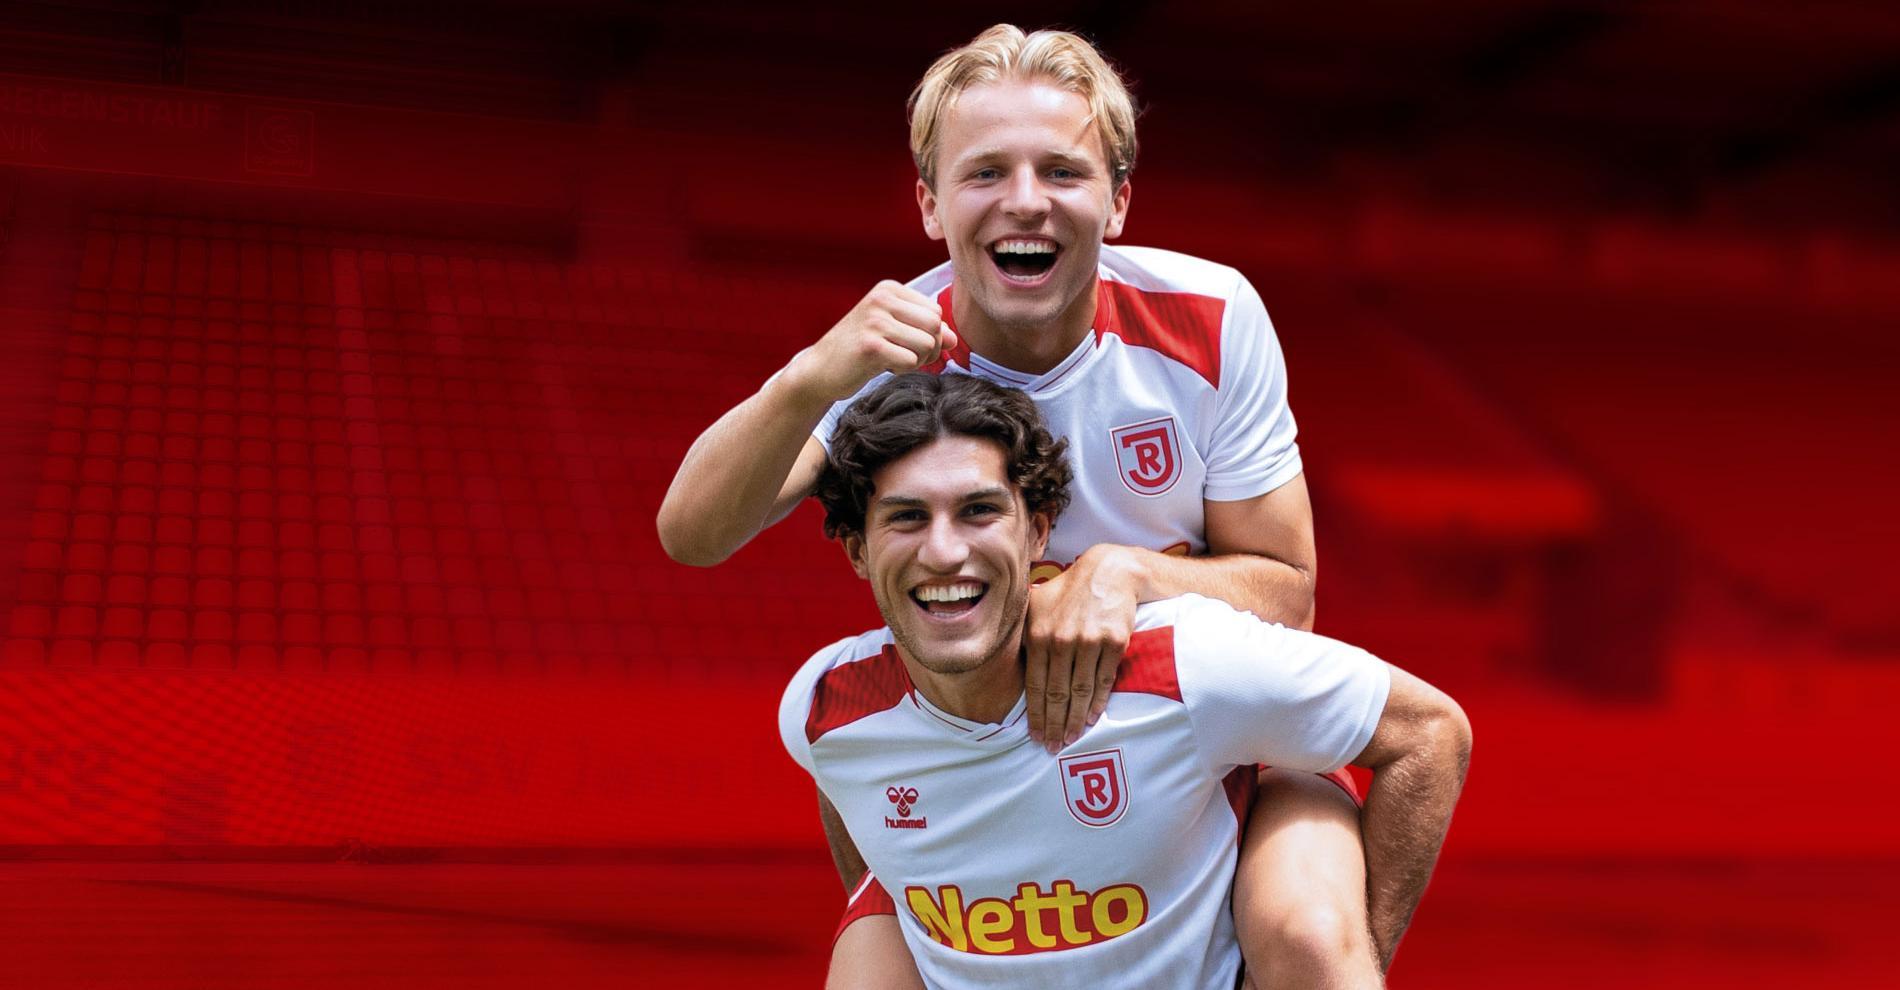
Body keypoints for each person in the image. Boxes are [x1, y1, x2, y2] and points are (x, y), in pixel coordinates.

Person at [659, 23, 1395, 988]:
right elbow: (693, 534)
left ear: (1118, 199)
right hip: (987, 754)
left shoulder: (1212, 319)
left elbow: (1289, 596)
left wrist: (1121, 574)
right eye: (984, 172)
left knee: (1308, 931)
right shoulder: (887, 357)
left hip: (1211, 738)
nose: (1024, 201)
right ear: (929, 202)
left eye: (1062, 170)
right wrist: (807, 378)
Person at [779, 372, 1470, 989]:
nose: (944, 550)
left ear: (1038, 532)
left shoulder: (1186, 663)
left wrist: (1361, 958)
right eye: (907, 517)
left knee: (1312, 936)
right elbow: (850, 786)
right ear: (858, 552)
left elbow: (1429, 732)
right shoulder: (824, 709)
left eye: (979, 510)